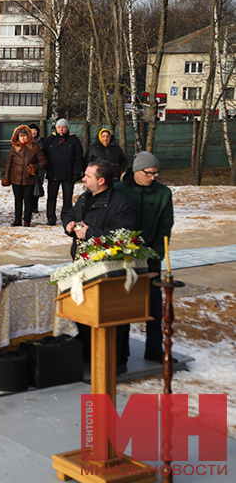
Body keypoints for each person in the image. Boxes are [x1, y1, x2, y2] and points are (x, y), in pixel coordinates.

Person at [63, 159, 136, 373]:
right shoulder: (85, 198)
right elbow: (71, 214)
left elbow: (124, 235)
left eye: (88, 176)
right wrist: (69, 225)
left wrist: (91, 233)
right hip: (82, 264)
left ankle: (115, 360)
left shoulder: (121, 203)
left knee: (109, 315)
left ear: (101, 180)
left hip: (108, 269)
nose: (83, 179)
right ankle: (88, 355)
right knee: (84, 311)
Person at [114, 152, 174, 363]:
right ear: (137, 171)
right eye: (149, 174)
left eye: (156, 174)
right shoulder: (119, 190)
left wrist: (156, 252)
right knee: (123, 302)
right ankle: (121, 352)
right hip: (122, 257)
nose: (153, 178)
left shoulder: (163, 193)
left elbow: (165, 227)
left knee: (154, 304)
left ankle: (155, 348)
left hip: (150, 257)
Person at [2, 125, 47, 227]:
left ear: (28, 136)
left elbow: (43, 161)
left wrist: (35, 167)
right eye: (20, 136)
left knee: (28, 199)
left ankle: (27, 220)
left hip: (29, 179)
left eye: (24, 136)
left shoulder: (35, 147)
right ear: (17, 137)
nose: (23, 138)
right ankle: (17, 219)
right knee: (18, 199)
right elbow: (8, 163)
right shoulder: (14, 148)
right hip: (16, 178)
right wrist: (6, 177)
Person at [42, 118, 84, 226]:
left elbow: (79, 157)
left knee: (68, 198)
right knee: (51, 197)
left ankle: (66, 217)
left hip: (68, 174)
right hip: (53, 173)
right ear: (56, 128)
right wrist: (46, 169)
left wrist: (76, 172)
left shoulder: (74, 140)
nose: (61, 129)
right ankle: (51, 218)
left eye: (63, 127)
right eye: (59, 127)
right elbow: (44, 155)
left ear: (67, 128)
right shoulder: (50, 139)